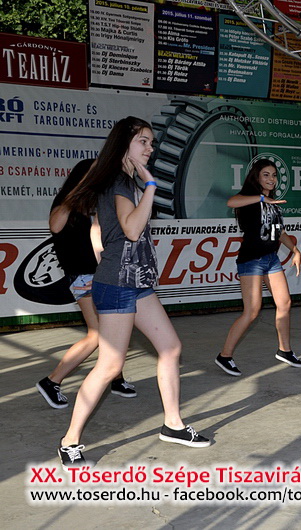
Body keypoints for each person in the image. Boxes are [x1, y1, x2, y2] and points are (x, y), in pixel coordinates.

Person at [57, 117, 210, 470]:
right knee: (110, 366)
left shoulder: (122, 181)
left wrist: (105, 262)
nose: (150, 148)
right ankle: (69, 442)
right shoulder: (120, 181)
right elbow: (131, 229)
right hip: (119, 284)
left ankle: (172, 424)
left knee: (170, 347)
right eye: (143, 141)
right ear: (124, 143)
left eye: (152, 142)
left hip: (134, 281)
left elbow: (99, 230)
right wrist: (152, 185)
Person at [36, 159, 137, 409]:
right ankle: (52, 381)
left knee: (113, 329)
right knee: (98, 334)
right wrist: (76, 195)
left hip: (102, 274)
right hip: (82, 276)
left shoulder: (97, 202)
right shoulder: (68, 202)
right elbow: (55, 226)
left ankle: (115, 378)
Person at [215, 158, 301, 376]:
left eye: (274, 175)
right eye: (266, 175)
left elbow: (279, 232)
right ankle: (224, 356)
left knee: (285, 303)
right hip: (252, 260)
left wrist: (295, 250)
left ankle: (285, 350)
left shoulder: (273, 202)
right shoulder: (250, 199)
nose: (271, 179)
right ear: (256, 177)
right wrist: (262, 198)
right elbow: (231, 202)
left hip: (271, 258)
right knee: (252, 311)